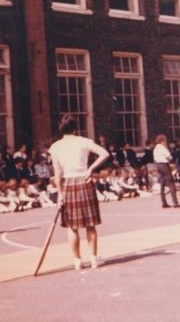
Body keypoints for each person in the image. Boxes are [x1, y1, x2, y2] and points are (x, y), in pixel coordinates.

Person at [48, 114, 110, 270]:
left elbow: (57, 173)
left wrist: (60, 194)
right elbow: (105, 153)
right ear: (76, 128)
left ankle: (77, 261)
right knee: (90, 225)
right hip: (84, 181)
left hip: (68, 183)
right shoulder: (85, 142)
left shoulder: (55, 147)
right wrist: (90, 168)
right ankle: (94, 259)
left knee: (72, 227)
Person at [153, 134, 180, 208]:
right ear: (162, 141)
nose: (166, 141)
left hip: (158, 165)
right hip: (164, 165)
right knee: (171, 183)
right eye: (165, 140)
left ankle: (164, 202)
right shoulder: (163, 148)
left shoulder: (155, 148)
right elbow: (169, 156)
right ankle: (175, 202)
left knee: (162, 184)